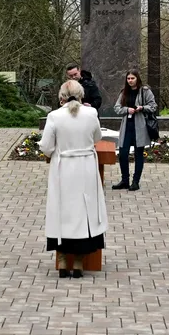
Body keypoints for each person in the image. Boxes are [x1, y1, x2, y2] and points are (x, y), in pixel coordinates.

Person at [39, 79, 108, 279]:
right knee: (84, 210)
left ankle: (62, 260)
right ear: (81, 95)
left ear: (61, 97)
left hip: (63, 168)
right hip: (85, 166)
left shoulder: (54, 116)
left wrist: (56, 150)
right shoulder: (91, 113)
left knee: (62, 209)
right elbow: (97, 137)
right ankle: (78, 261)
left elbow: (46, 146)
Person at [112, 69, 157, 191]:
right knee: (123, 153)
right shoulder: (124, 92)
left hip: (140, 126)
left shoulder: (145, 91)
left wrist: (142, 108)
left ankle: (135, 181)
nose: (130, 80)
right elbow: (117, 108)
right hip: (127, 126)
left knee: (138, 153)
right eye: (128, 78)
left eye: (132, 78)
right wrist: (127, 110)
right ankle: (125, 180)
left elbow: (153, 106)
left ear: (137, 78)